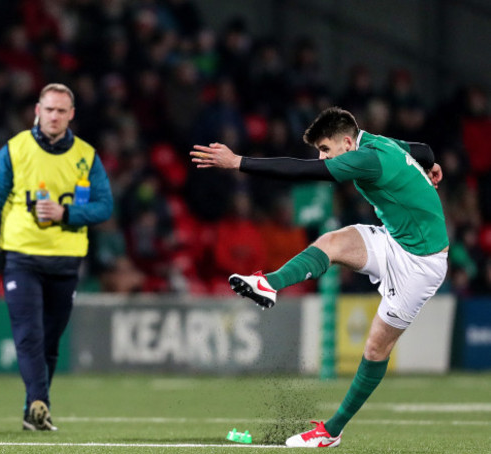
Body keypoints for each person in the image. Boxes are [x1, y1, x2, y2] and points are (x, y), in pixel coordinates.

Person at [191, 106, 448, 448]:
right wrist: (429, 167)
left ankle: (332, 431)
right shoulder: (379, 142)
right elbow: (424, 151)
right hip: (396, 241)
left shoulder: (366, 158)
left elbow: (304, 171)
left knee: (375, 349)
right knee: (332, 242)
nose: (323, 156)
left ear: (346, 141)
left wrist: (239, 162)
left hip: (422, 264)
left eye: (326, 149)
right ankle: (268, 283)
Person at [0, 83, 113, 431]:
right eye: (48, 109)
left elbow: (105, 206)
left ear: (71, 115)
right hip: (22, 256)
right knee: (29, 334)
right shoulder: (14, 150)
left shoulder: (86, 155)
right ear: (37, 110)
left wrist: (65, 213)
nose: (54, 116)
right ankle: (41, 402)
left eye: (61, 111)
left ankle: (31, 410)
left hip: (66, 261)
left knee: (50, 341)